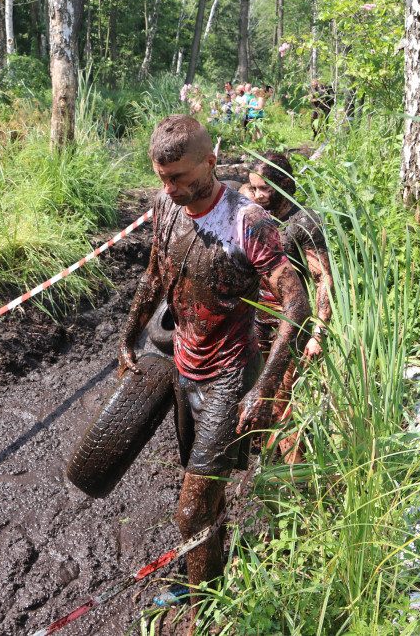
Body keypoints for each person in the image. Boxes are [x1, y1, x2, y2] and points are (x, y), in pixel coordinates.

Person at [119, 116, 310, 633]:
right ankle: (214, 571)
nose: (170, 188)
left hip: (230, 374)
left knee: (189, 508)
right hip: (185, 369)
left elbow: (297, 302)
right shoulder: (165, 206)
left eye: (179, 177)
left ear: (209, 162)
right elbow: (157, 271)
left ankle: (206, 613)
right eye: (162, 177)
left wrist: (266, 388)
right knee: (206, 492)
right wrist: (130, 334)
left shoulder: (249, 223)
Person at [242, 153, 334, 463]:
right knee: (258, 398)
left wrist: (318, 333)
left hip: (290, 330)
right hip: (256, 327)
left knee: (281, 405)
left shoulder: (302, 222)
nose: (256, 195)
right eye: (253, 188)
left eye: (263, 189)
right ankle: (269, 466)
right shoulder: (259, 217)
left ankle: (295, 485)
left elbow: (323, 280)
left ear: (285, 185)